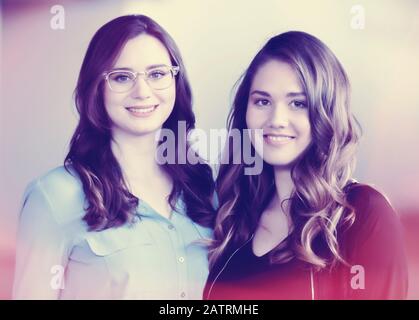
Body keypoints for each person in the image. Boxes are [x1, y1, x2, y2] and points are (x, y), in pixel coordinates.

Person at [13, 15, 215, 299]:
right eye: (122, 77)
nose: (142, 92)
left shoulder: (204, 188)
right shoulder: (53, 196)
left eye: (157, 74)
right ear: (97, 87)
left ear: (175, 81)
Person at [204, 31, 408, 300]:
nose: (276, 119)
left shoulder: (362, 215)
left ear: (325, 113)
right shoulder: (233, 219)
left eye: (298, 103)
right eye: (262, 101)